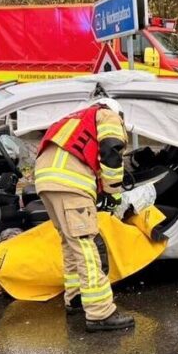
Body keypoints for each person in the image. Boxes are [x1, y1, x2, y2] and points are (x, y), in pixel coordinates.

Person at [35, 97, 135, 332]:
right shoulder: (107, 115)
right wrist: (113, 191)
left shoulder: (74, 119)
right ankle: (100, 312)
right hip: (71, 183)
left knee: (71, 244)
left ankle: (76, 298)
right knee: (87, 246)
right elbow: (111, 149)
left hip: (46, 182)